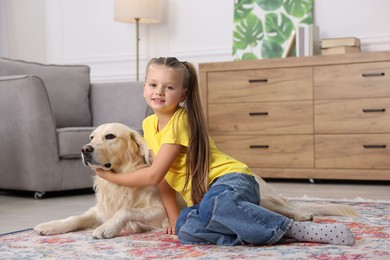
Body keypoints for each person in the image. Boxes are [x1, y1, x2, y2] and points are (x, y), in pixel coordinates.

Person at [96, 57, 355, 246]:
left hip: (232, 180)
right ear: (144, 88)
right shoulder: (148, 125)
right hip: (208, 199)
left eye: (169, 87)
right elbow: (164, 180)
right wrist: (174, 218)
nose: (159, 92)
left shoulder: (180, 121)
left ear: (183, 94)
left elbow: (153, 175)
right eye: (153, 84)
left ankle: (292, 229)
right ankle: (251, 231)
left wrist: (110, 176)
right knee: (187, 229)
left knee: (216, 207)